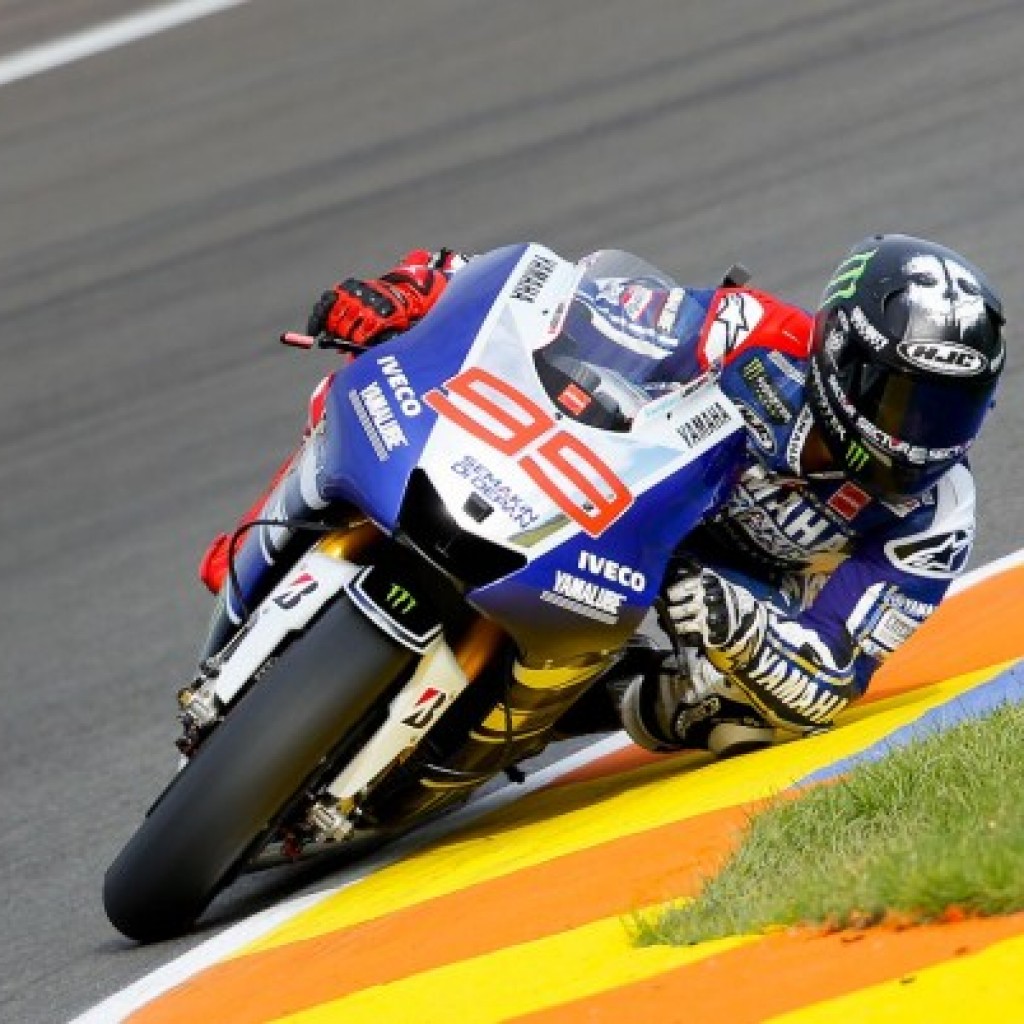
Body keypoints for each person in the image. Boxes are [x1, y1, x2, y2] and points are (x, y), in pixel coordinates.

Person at [200, 235, 1005, 758]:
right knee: (360, 389)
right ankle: (264, 548)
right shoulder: (748, 332)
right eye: (907, 399)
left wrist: (743, 629)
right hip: (612, 495)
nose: (923, 433)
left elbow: (835, 669)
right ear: (842, 354)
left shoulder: (937, 514)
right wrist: (416, 292)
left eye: (951, 408)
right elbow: (562, 305)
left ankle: (549, 711)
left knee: (734, 721)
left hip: (717, 604)